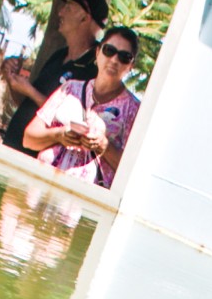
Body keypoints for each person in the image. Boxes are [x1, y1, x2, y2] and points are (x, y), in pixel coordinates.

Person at [22, 26, 142, 189]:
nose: (114, 60)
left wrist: (104, 146)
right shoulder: (70, 89)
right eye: (109, 50)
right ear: (97, 52)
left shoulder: (133, 109)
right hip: (40, 186)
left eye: (124, 57)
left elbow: (132, 173)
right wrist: (59, 135)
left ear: (131, 66)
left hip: (84, 201)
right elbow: (28, 139)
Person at [0, 0, 108, 155]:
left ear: (84, 18)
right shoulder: (59, 56)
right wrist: (14, 82)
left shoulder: (93, 69)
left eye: (69, 7)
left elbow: (73, 122)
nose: (60, 12)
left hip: (38, 163)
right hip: (11, 149)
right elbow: (27, 105)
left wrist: (30, 91)